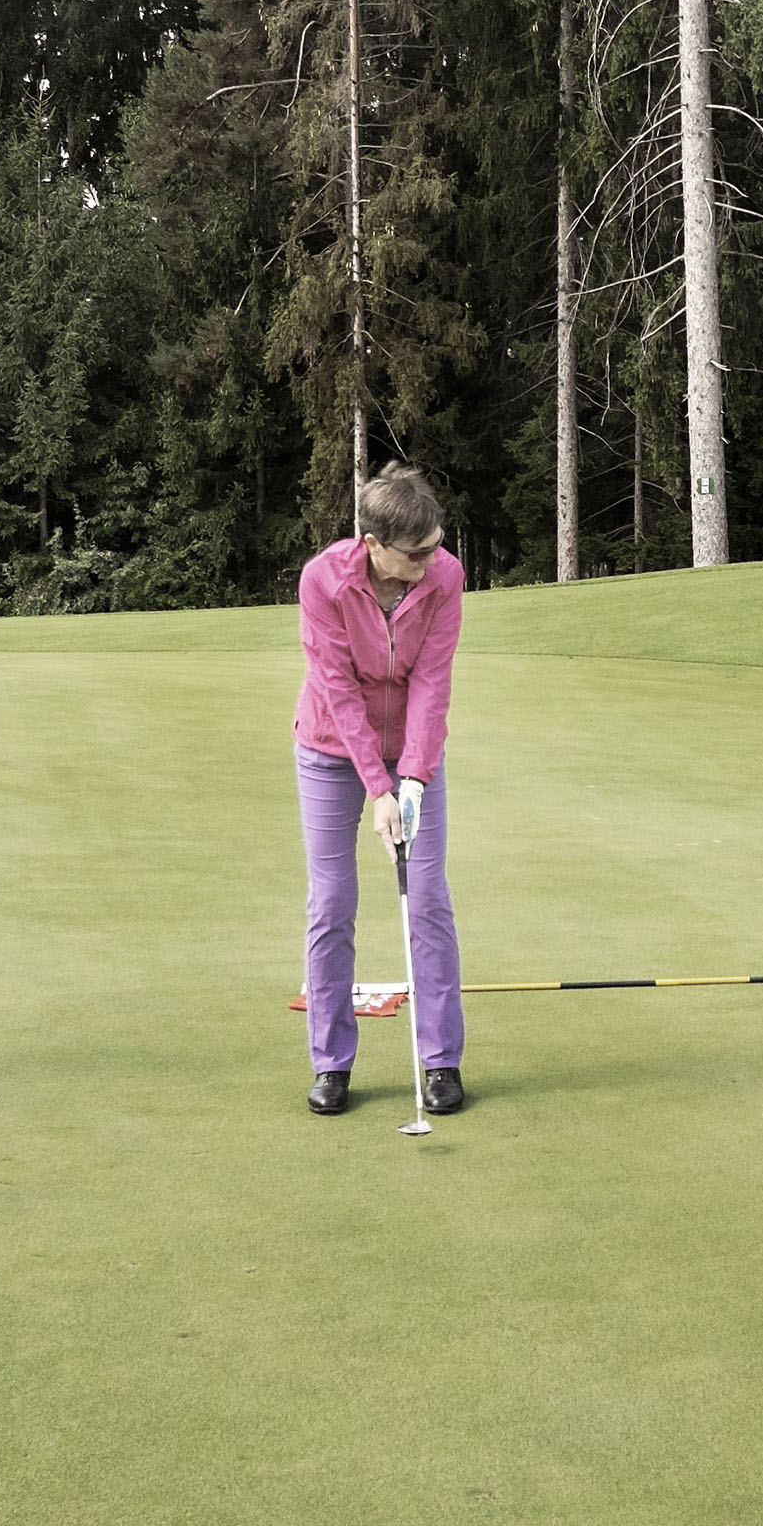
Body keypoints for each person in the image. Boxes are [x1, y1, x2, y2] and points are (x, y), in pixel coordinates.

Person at [294, 465, 467, 1117]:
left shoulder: (444, 576)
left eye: (434, 547)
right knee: (331, 903)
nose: (429, 562)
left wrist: (413, 777)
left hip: (414, 753)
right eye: (415, 552)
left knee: (427, 901)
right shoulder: (324, 580)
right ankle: (331, 1063)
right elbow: (337, 688)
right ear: (372, 542)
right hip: (328, 750)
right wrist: (378, 787)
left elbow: (432, 682)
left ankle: (440, 1059)